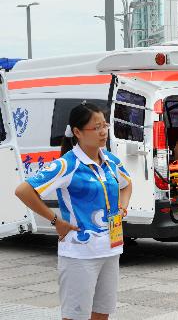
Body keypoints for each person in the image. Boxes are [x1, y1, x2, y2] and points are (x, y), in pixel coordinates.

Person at [15, 102, 132, 320]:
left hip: (111, 248)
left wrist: (122, 207)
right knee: (75, 316)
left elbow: (126, 184)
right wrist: (55, 221)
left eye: (105, 125)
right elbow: (24, 191)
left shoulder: (110, 160)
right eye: (96, 127)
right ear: (77, 132)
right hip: (80, 253)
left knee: (101, 314)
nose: (103, 132)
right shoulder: (66, 164)